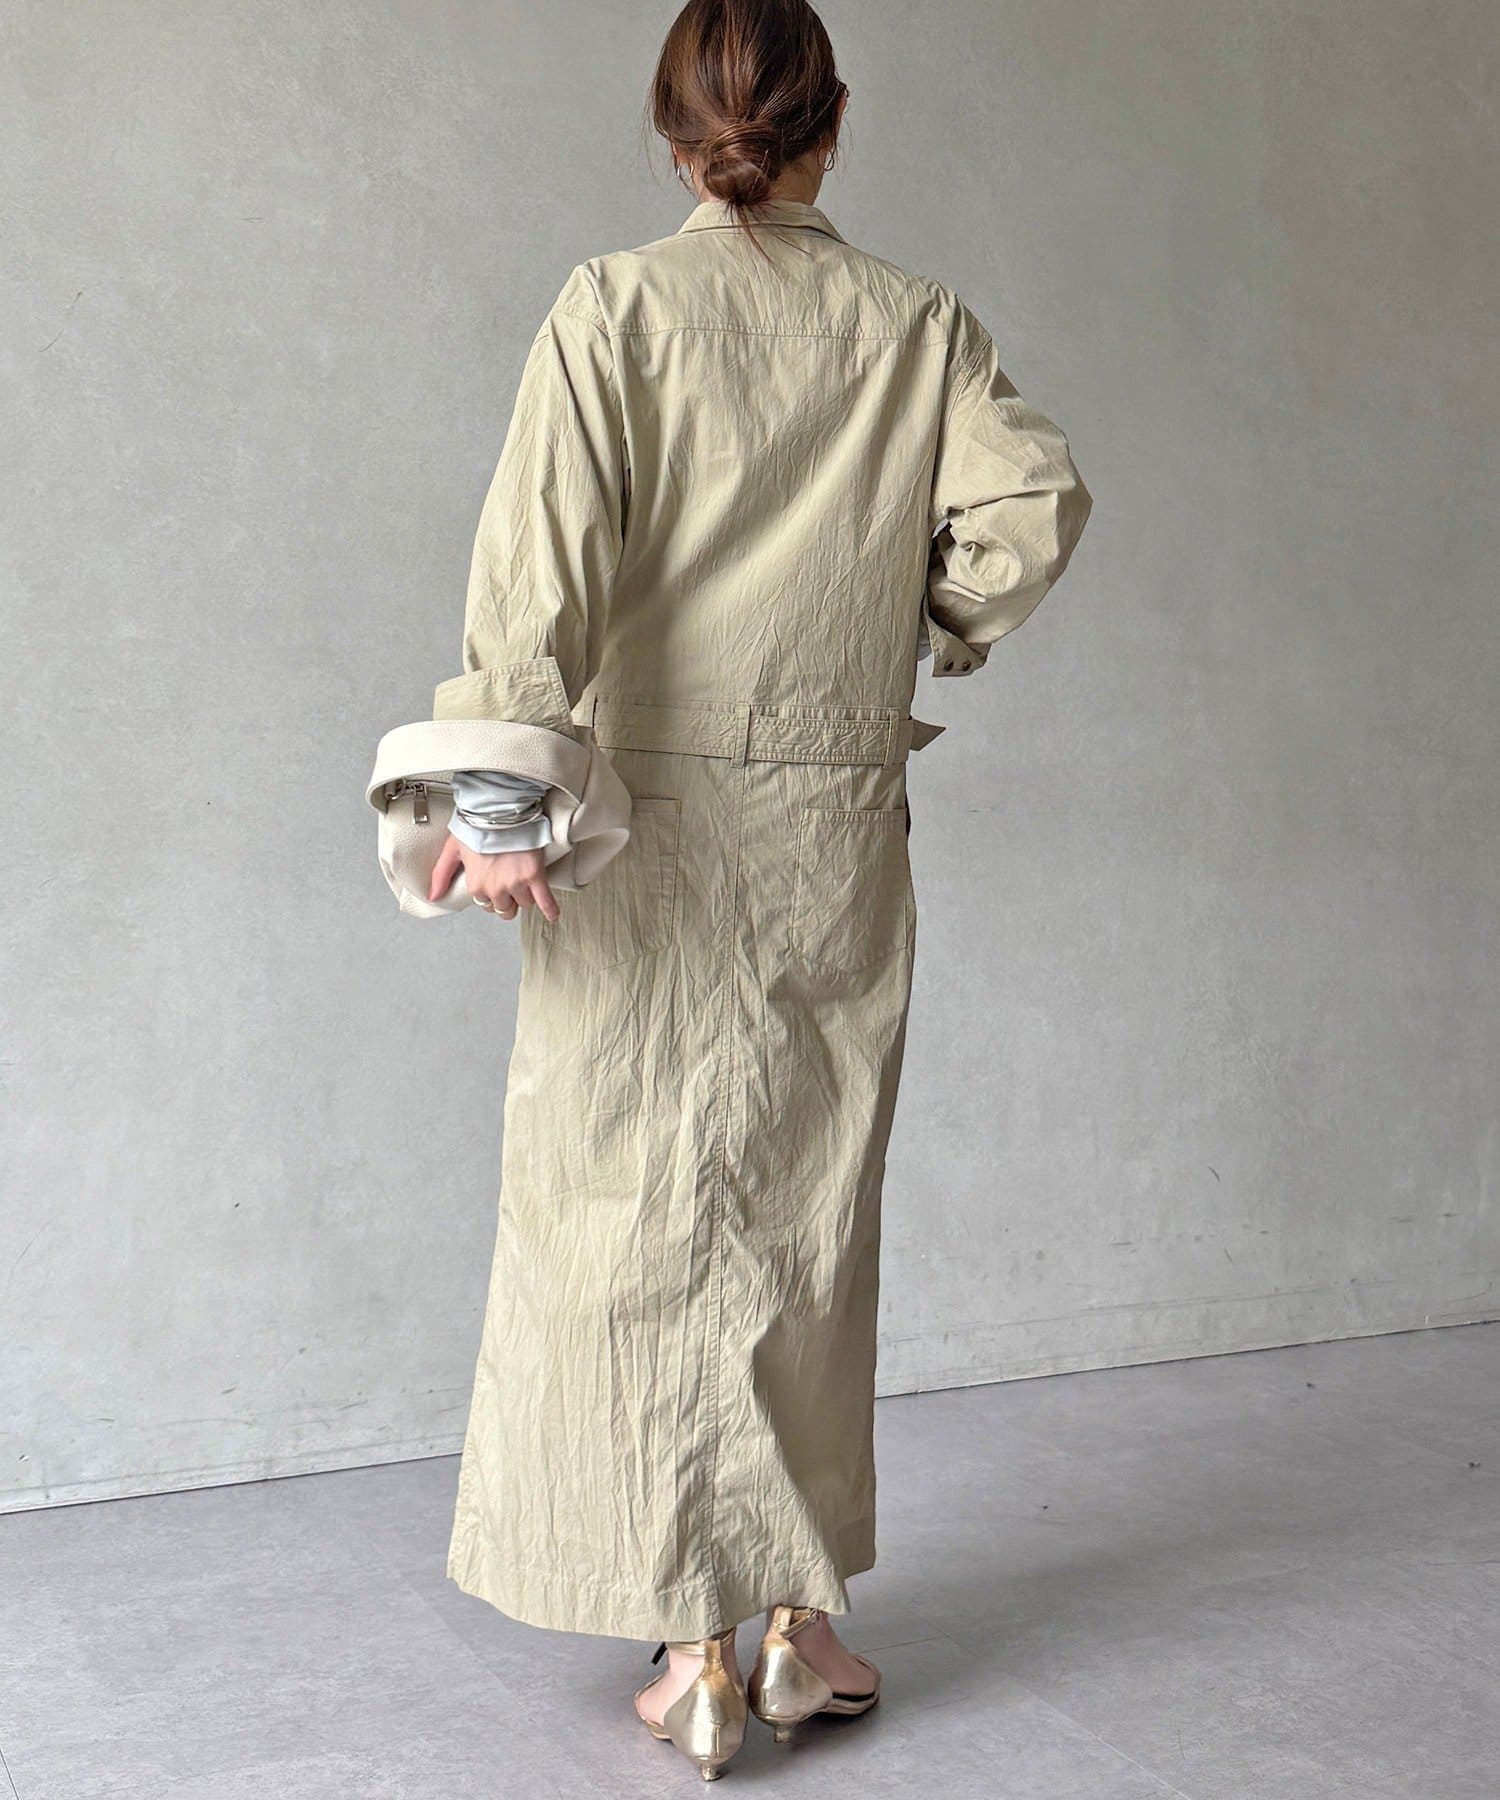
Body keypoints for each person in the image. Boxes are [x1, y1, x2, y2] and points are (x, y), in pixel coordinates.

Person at [420, 0, 1091, 1779]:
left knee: (635, 1213)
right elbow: (1031, 507)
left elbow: (537, 571)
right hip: (827, 819)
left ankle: (694, 1651)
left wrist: (499, 800)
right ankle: (796, 1627)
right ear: (831, 122)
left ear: (673, 133)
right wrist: (912, 622)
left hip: (628, 826)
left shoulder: (613, 310)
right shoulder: (916, 324)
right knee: (804, 1209)